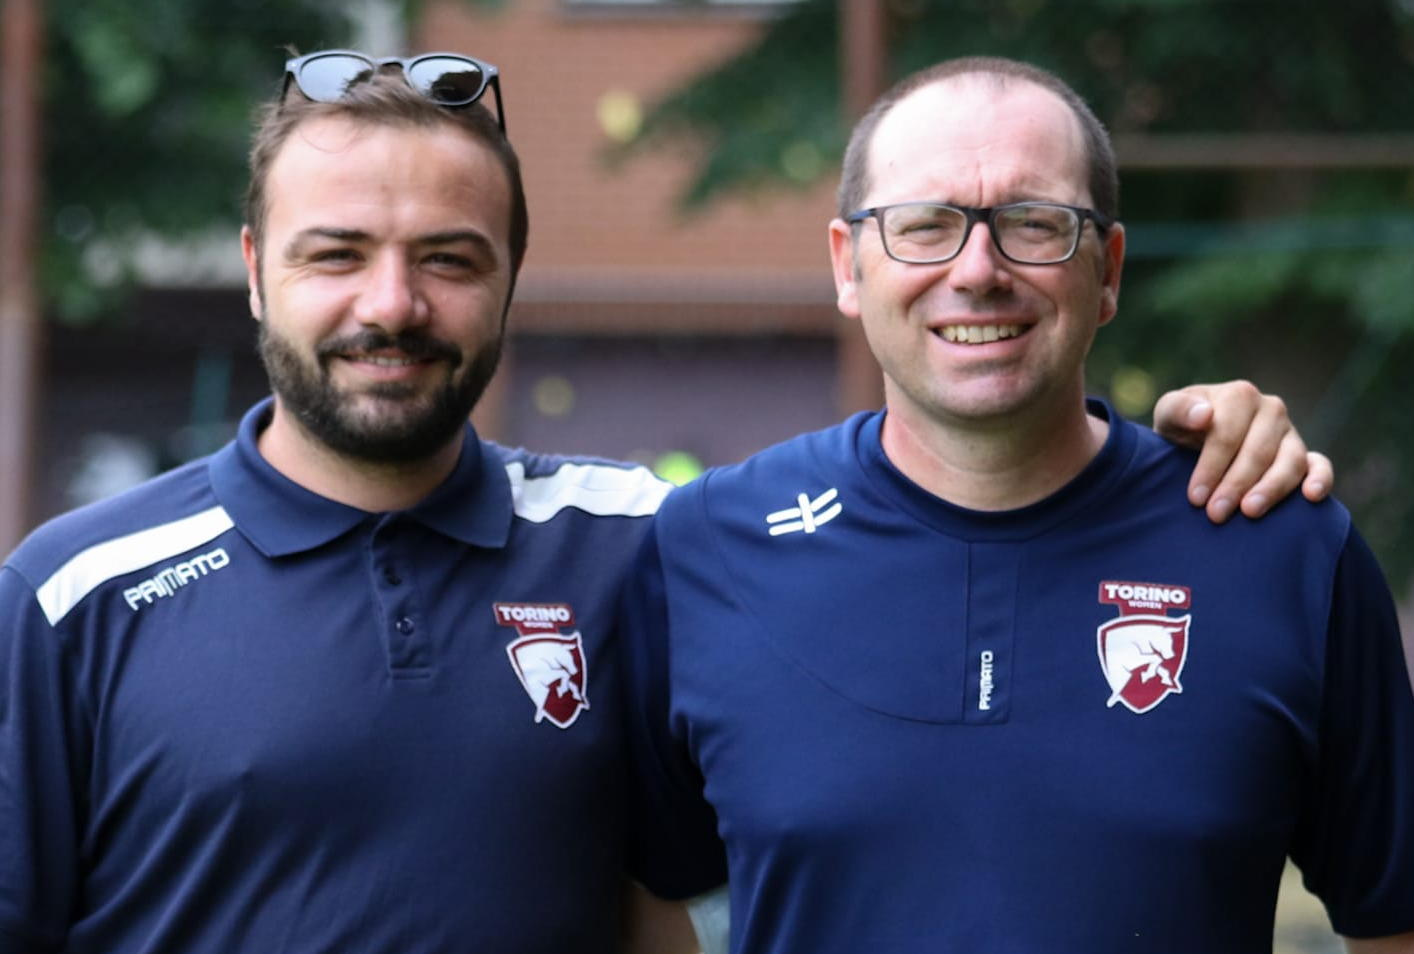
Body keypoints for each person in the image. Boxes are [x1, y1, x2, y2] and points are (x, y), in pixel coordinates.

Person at [0, 49, 1336, 954]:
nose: (391, 304)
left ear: (513, 273)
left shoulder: (644, 539)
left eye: (449, 258)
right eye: (335, 255)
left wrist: (1187, 447)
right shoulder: (72, 596)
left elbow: (647, 893)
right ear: (253, 270)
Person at [619, 57, 1414, 953]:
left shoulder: (1285, 552)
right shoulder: (701, 551)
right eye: (925, 226)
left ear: (1108, 271)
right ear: (848, 266)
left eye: (1035, 224)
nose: (979, 270)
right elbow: (646, 897)